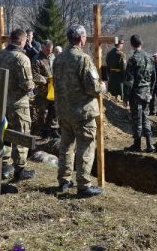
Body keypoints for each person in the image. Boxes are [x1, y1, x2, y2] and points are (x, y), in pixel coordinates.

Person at [53, 24, 106, 197]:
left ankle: (64, 180)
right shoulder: (83, 59)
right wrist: (102, 87)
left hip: (64, 111)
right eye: (85, 37)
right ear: (82, 38)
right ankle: (83, 185)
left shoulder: (59, 58)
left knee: (66, 146)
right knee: (86, 146)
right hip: (82, 113)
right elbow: (92, 88)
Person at [0, 29, 36, 181]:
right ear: (22, 41)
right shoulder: (22, 58)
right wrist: (37, 81)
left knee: (4, 133)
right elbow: (27, 85)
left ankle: (3, 165)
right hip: (19, 104)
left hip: (2, 102)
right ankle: (20, 170)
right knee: (21, 135)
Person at [123, 35, 155, 152]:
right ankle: (149, 144)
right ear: (141, 43)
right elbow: (153, 78)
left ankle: (137, 144)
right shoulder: (150, 57)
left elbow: (129, 81)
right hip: (146, 93)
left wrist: (125, 96)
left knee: (136, 118)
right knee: (145, 117)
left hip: (136, 93)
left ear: (132, 44)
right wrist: (150, 91)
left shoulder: (133, 59)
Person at [31, 39, 60, 139]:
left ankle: (54, 129)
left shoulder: (52, 57)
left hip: (53, 88)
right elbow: (34, 75)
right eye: (47, 49)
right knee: (42, 111)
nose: (49, 51)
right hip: (42, 90)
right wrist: (47, 79)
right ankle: (43, 131)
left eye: (51, 50)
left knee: (54, 109)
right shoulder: (37, 59)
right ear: (42, 48)